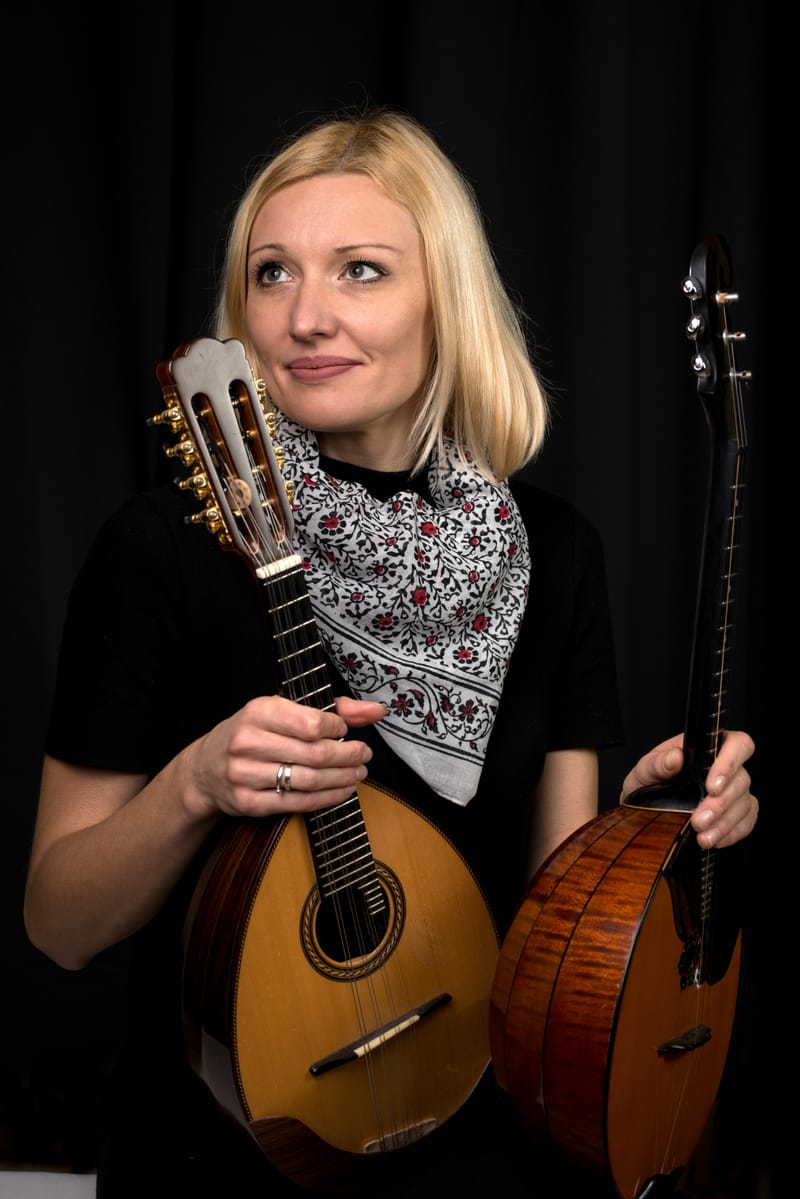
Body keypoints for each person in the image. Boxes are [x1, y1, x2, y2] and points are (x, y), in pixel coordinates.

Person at [24, 109, 758, 1198]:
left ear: (442, 303)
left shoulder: (550, 553)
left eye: (360, 270)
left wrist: (649, 825)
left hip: (474, 1097)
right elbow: (59, 923)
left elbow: (547, 919)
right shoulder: (164, 547)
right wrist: (193, 781)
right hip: (228, 1114)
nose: (305, 316)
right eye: (271, 274)